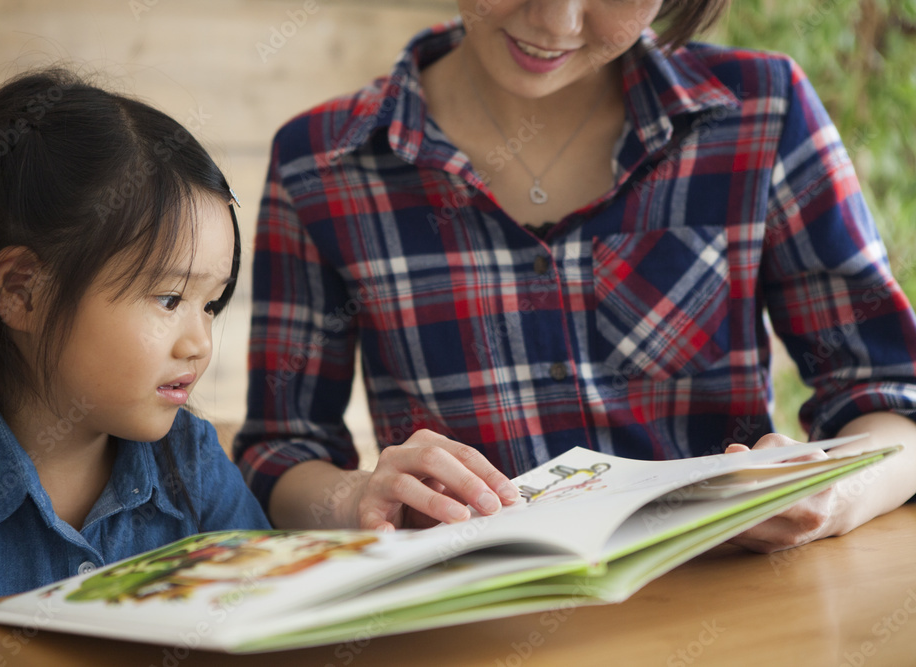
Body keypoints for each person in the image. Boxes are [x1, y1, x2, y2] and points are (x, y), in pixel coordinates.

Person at [235, 0, 916, 551]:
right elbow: (278, 451)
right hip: (471, 631)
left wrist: (832, 494)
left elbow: (893, 399)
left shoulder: (762, 110)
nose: (556, 20)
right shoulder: (321, 163)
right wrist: (355, 497)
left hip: (737, 615)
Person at [0, 68, 270, 609]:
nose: (199, 344)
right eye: (170, 299)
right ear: (22, 291)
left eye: (211, 304)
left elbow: (269, 618)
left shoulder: (193, 463)